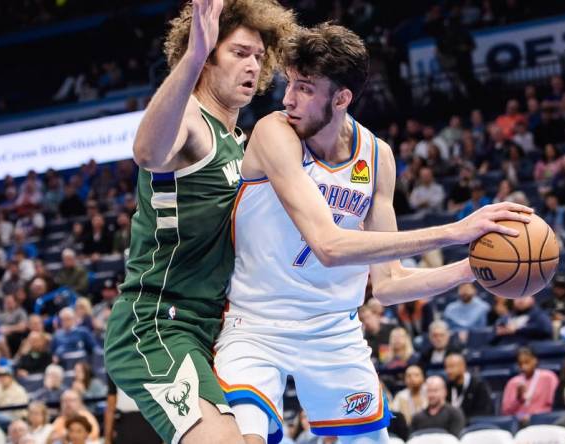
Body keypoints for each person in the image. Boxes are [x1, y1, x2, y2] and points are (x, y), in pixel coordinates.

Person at [213, 23, 532, 444]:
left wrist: (474, 268)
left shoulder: (377, 156)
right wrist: (454, 231)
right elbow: (328, 245)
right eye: (290, 83)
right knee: (242, 438)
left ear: (342, 98)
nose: (288, 98)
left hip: (333, 331)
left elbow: (388, 285)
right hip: (256, 325)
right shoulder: (276, 132)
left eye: (305, 88)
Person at [103, 1, 297, 443]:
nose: (252, 65)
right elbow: (148, 152)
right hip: (159, 324)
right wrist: (191, 58)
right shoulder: (191, 118)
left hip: (222, 330)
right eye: (239, 52)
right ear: (208, 55)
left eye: (259, 57)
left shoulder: (244, 143)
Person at [501, 347, 559, 421]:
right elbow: (506, 412)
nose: (523, 367)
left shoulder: (549, 377)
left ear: (535, 360)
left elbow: (555, 404)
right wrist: (518, 398)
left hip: (543, 420)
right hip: (519, 423)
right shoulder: (512, 383)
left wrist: (534, 417)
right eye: (520, 364)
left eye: (527, 362)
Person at [443, 353, 493, 419]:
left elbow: (484, 412)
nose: (448, 371)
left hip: (473, 425)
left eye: (452, 367)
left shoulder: (478, 385)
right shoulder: (446, 386)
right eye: (446, 367)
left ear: (463, 366)